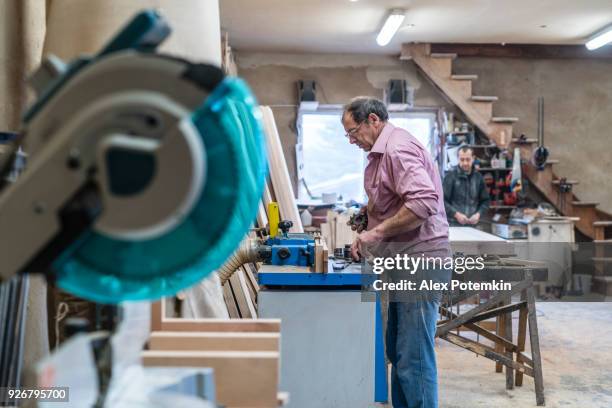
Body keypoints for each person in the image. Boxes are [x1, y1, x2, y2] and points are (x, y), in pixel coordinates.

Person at [342, 97, 450, 408]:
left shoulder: (397, 149)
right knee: (398, 349)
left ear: (373, 120)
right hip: (404, 261)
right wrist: (369, 215)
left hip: (420, 262)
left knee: (413, 355)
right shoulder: (380, 153)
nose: (351, 141)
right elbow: (395, 198)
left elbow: (423, 203)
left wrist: (375, 232)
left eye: (353, 132)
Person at [443, 146, 490, 226]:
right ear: (458, 159)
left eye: (468, 159)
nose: (465, 163)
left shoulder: (478, 178)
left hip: (473, 226)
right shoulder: (450, 177)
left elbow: (485, 201)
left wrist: (478, 214)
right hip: (453, 225)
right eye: (462, 159)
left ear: (473, 158)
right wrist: (456, 214)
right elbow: (442, 201)